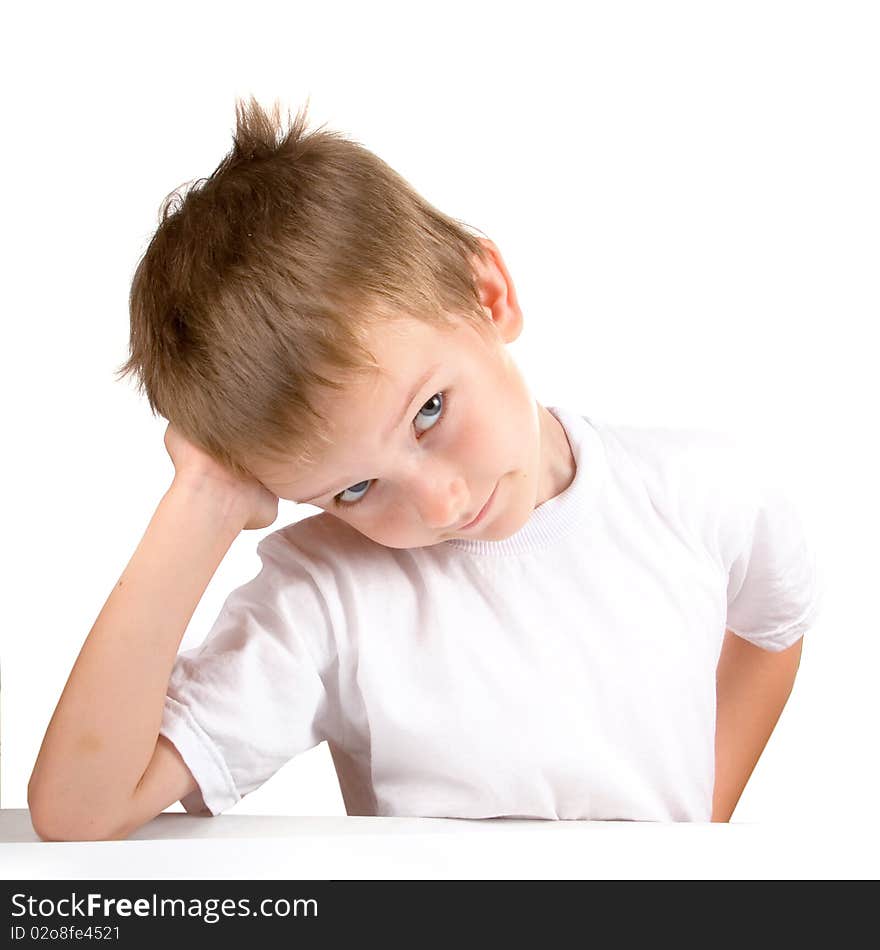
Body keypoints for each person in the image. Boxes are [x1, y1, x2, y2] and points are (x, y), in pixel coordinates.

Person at [27, 98, 823, 841]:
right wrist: (200, 499)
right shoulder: (326, 600)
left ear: (489, 293)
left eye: (431, 412)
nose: (440, 504)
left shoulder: (707, 493)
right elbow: (79, 811)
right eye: (355, 489)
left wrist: (699, 832)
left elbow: (773, 627)